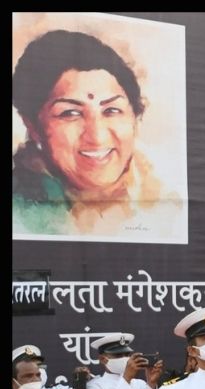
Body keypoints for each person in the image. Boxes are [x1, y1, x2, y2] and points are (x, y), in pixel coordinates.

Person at [12, 30, 182, 238]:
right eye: (70, 113)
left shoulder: (167, 204)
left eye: (111, 110)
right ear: (33, 127)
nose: (97, 137)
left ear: (135, 116)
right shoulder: (21, 215)